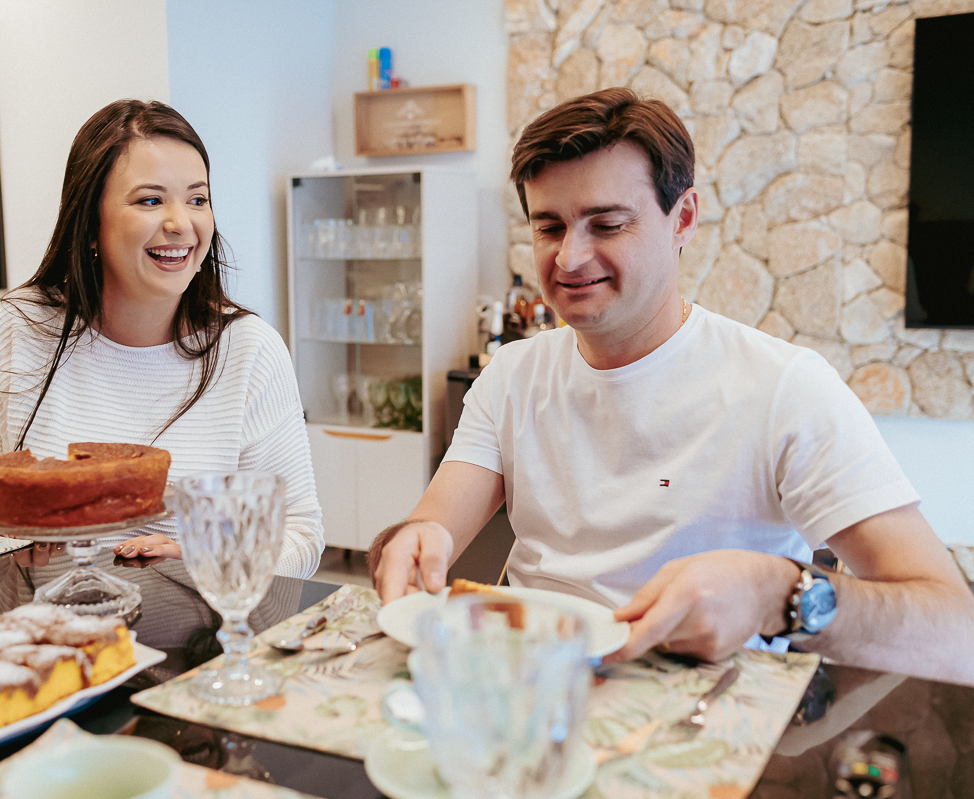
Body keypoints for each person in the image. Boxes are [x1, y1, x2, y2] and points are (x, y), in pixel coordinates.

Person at [370, 88, 974, 684]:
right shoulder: (512, 376)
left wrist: (780, 594)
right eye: (549, 227)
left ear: (682, 218)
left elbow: (955, 633)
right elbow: (433, 530)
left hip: (710, 717)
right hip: (532, 695)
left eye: (606, 224)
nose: (569, 258)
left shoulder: (783, 388)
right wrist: (411, 541)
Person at [0, 99, 325, 578]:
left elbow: (299, 535)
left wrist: (212, 560)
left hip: (191, 643)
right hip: (37, 633)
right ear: (90, 224)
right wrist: (2, 530)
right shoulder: (23, 328)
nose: (180, 223)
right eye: (150, 200)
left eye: (197, 199)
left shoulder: (249, 351)